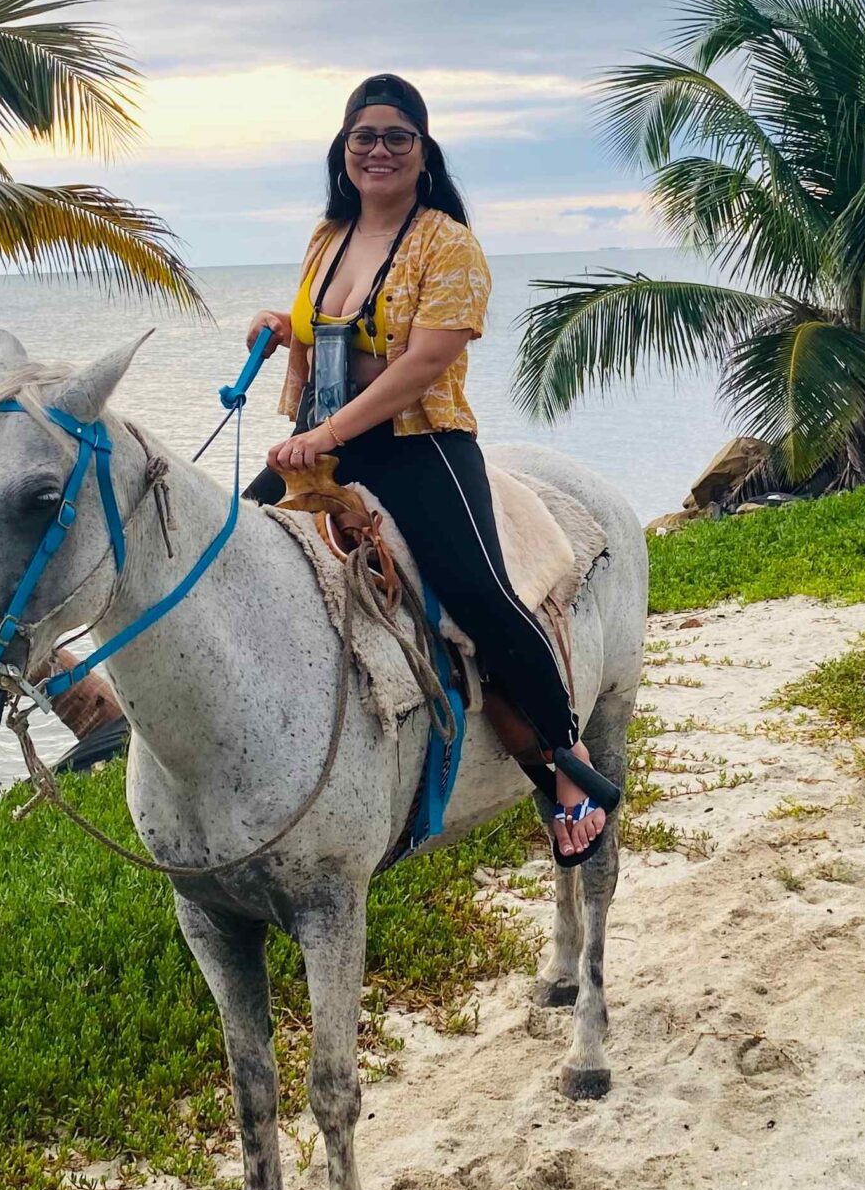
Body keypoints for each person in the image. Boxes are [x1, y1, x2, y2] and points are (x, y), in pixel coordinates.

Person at [243, 74, 616, 861]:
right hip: (326, 438)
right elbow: (329, 322)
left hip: (418, 443)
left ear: (423, 152)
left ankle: (567, 758)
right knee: (235, 550)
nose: (378, 151)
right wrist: (284, 326)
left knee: (479, 592)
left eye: (396, 138)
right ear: (343, 151)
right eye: (363, 137)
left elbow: (423, 363)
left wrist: (327, 433)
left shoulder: (449, 243)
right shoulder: (328, 234)